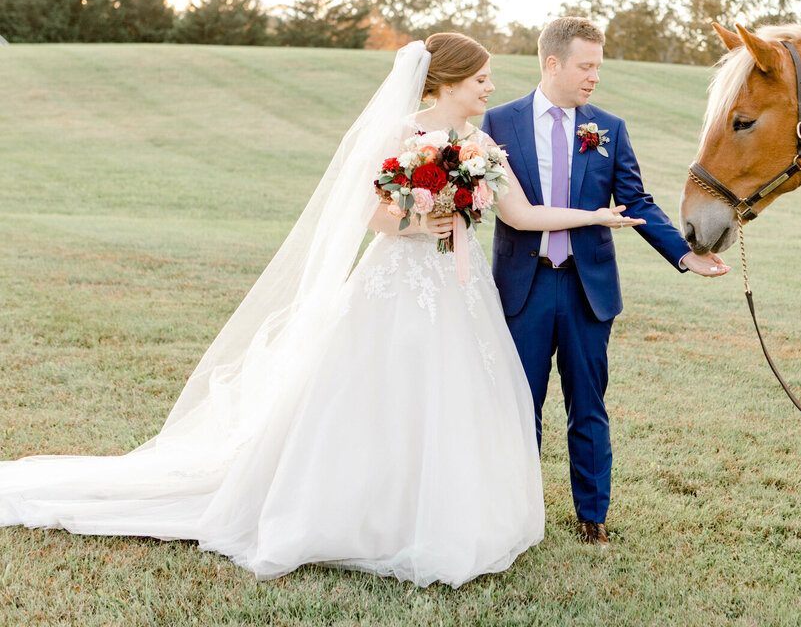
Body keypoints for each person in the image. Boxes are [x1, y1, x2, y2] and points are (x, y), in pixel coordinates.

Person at [0, 33, 643, 588]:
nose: (489, 88)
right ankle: (357, 514)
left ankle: (451, 512)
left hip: (460, 290)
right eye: (480, 80)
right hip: (399, 280)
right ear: (444, 82)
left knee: (458, 396)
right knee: (375, 395)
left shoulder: (481, 145)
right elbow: (375, 218)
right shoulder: (404, 136)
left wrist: (596, 214)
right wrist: (425, 218)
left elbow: (523, 215)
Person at [481, 17, 729, 547]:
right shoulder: (497, 123)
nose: (595, 76)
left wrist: (685, 256)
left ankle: (593, 516)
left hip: (587, 289)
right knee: (519, 405)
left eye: (599, 66)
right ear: (553, 64)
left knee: (588, 404)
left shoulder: (608, 128)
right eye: (585, 66)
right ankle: (518, 515)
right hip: (521, 287)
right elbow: (483, 200)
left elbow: (637, 200)